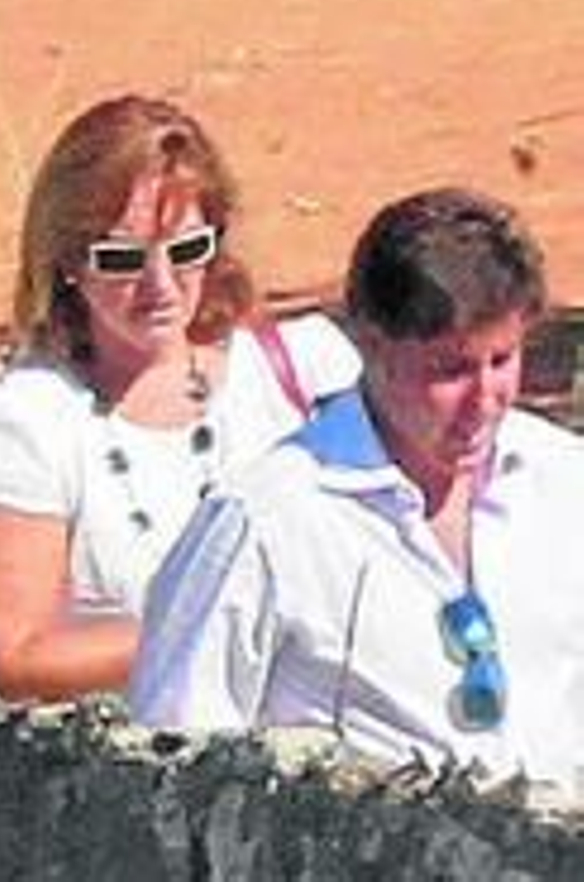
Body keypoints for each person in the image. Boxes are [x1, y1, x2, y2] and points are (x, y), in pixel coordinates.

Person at [130, 188, 584, 789]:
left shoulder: (565, 479)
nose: (484, 400)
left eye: (501, 360)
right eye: (449, 371)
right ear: (370, 343)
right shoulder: (264, 521)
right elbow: (176, 761)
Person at [0, 95, 360, 702]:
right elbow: (18, 655)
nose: (160, 286)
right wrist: (225, 626)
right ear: (66, 263)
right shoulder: (24, 421)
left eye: (188, 250)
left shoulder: (305, 372)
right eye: (121, 259)